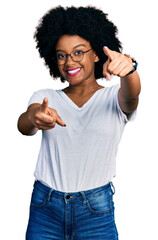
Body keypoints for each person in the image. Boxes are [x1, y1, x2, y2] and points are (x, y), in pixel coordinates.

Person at [18, 6, 141, 240]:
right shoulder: (46, 97)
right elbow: (25, 124)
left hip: (95, 211)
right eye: (61, 55)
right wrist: (34, 118)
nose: (69, 61)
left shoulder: (113, 97)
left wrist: (130, 70)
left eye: (78, 52)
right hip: (46, 208)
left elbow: (131, 96)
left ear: (96, 54)